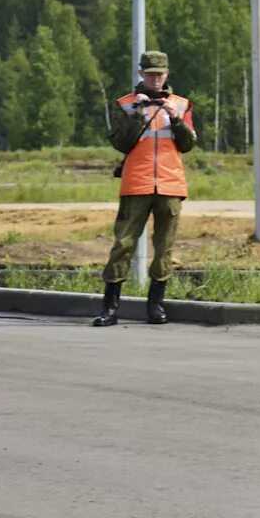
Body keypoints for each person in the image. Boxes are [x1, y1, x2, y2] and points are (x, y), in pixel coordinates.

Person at [92, 50, 196, 327]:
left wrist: (175, 119)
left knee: (165, 248)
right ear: (141, 74)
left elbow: (187, 144)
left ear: (167, 74)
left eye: (160, 74)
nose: (155, 79)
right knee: (123, 244)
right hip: (136, 184)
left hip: (170, 184)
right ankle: (110, 308)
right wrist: (137, 115)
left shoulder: (182, 104)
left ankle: (156, 306)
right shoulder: (126, 105)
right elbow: (121, 143)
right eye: (150, 74)